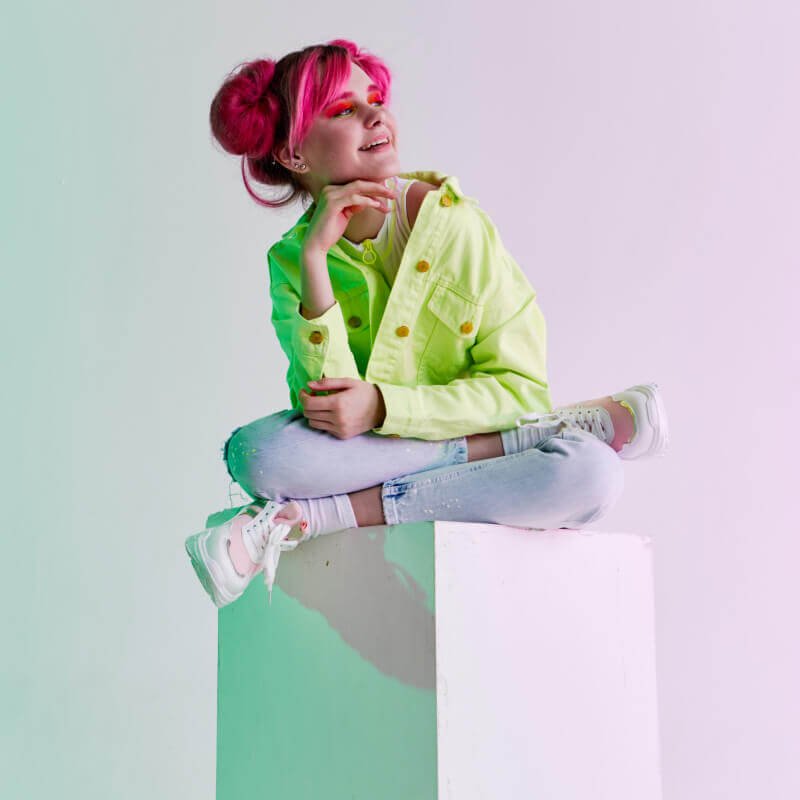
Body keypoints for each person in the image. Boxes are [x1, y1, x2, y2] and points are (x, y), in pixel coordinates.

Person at [185, 39, 670, 608]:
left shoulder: (457, 228)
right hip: (405, 447)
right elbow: (327, 415)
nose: (376, 116)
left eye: (375, 100)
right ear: (294, 156)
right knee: (258, 455)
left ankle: (317, 517)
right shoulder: (293, 261)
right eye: (343, 109)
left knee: (592, 476)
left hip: (403, 443)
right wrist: (316, 260)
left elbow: (519, 390)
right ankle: (526, 438)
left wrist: (384, 407)